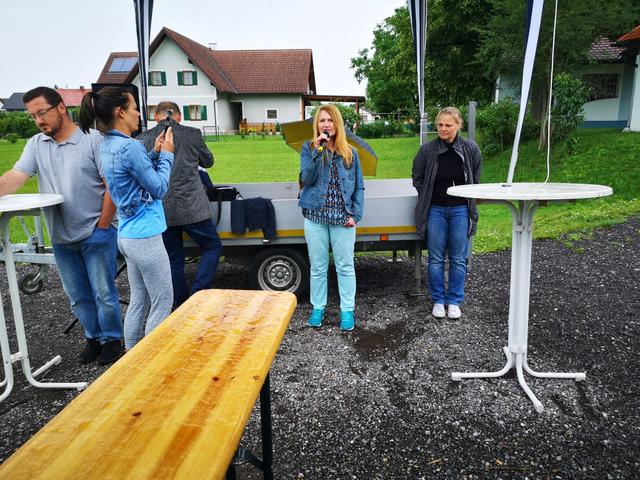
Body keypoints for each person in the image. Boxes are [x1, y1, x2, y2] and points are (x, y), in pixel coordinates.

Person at [0, 86, 122, 364]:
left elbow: (111, 186)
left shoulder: (92, 140)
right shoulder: (36, 144)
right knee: (77, 295)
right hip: (61, 236)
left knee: (103, 292)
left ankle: (112, 341)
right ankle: (93, 338)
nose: (38, 121)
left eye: (42, 113)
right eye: (33, 116)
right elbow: (17, 175)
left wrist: (103, 225)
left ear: (61, 108)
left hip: (96, 231)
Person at [79, 87, 174, 350]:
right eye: (134, 108)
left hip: (128, 235)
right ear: (120, 112)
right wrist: (167, 154)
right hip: (146, 237)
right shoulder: (130, 147)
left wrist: (153, 154)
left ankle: (132, 360)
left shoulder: (108, 145)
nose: (138, 114)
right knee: (162, 300)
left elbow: (135, 180)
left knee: (139, 300)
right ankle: (150, 361)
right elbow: (159, 189)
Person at [137, 102, 222, 308]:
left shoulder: (144, 138)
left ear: (156, 117)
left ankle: (181, 302)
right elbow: (208, 162)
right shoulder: (192, 134)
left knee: (174, 258)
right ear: (179, 116)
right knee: (212, 246)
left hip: (162, 209)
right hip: (193, 206)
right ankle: (199, 292)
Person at [298, 105, 365, 331]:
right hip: (315, 217)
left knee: (345, 266)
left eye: (330, 120)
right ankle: (318, 308)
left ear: (337, 124)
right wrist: (318, 151)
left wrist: (356, 214)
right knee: (318, 266)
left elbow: (359, 187)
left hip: (343, 219)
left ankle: (347, 310)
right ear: (316, 125)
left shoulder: (350, 153)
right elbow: (306, 179)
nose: (326, 124)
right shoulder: (308, 149)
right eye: (321, 120)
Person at [411, 107, 482, 319]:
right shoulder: (427, 150)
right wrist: (427, 194)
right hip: (436, 210)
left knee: (459, 258)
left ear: (458, 125)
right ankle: (438, 301)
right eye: (440, 125)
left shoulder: (470, 149)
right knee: (435, 258)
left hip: (461, 209)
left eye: (448, 125)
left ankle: (454, 301)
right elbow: (417, 176)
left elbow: (475, 179)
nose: (443, 129)